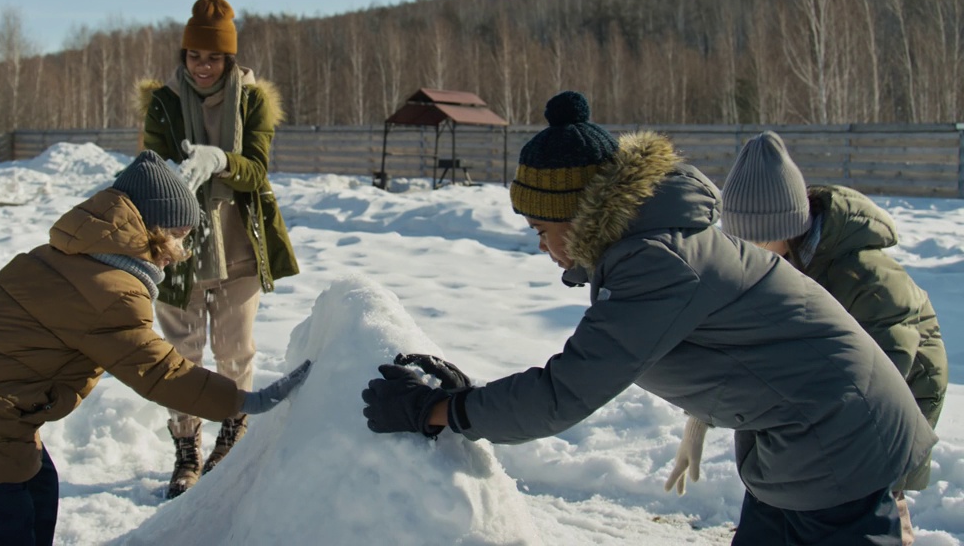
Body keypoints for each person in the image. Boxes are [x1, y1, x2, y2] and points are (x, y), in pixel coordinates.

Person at [360, 91, 937, 545]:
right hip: (799, 441)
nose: (541, 247)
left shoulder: (654, 262)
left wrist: (437, 412)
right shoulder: (645, 249)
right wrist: (467, 403)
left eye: (542, 230)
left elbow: (565, 392)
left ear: (579, 216)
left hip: (841, 446)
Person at [0, 150, 310, 545]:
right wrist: (244, 401)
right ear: (158, 231)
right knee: (9, 528)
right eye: (181, 238)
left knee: (38, 491)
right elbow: (160, 372)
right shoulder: (109, 289)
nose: (183, 252)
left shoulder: (77, 255)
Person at [720, 131, 948, 545]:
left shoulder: (865, 276)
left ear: (785, 226)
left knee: (860, 508)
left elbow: (884, 378)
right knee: (780, 494)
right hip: (817, 400)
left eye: (752, 239)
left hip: (896, 399)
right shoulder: (771, 265)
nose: (743, 252)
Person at [137, 0, 300, 498]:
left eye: (213, 58)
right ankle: (187, 449)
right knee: (180, 356)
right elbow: (151, 169)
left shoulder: (252, 102)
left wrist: (220, 161)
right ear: (183, 56)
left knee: (235, 352)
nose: (203, 67)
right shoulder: (163, 103)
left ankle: (233, 436)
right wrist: (171, 177)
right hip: (177, 244)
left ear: (229, 59)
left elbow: (256, 171)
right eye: (194, 56)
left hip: (239, 245)